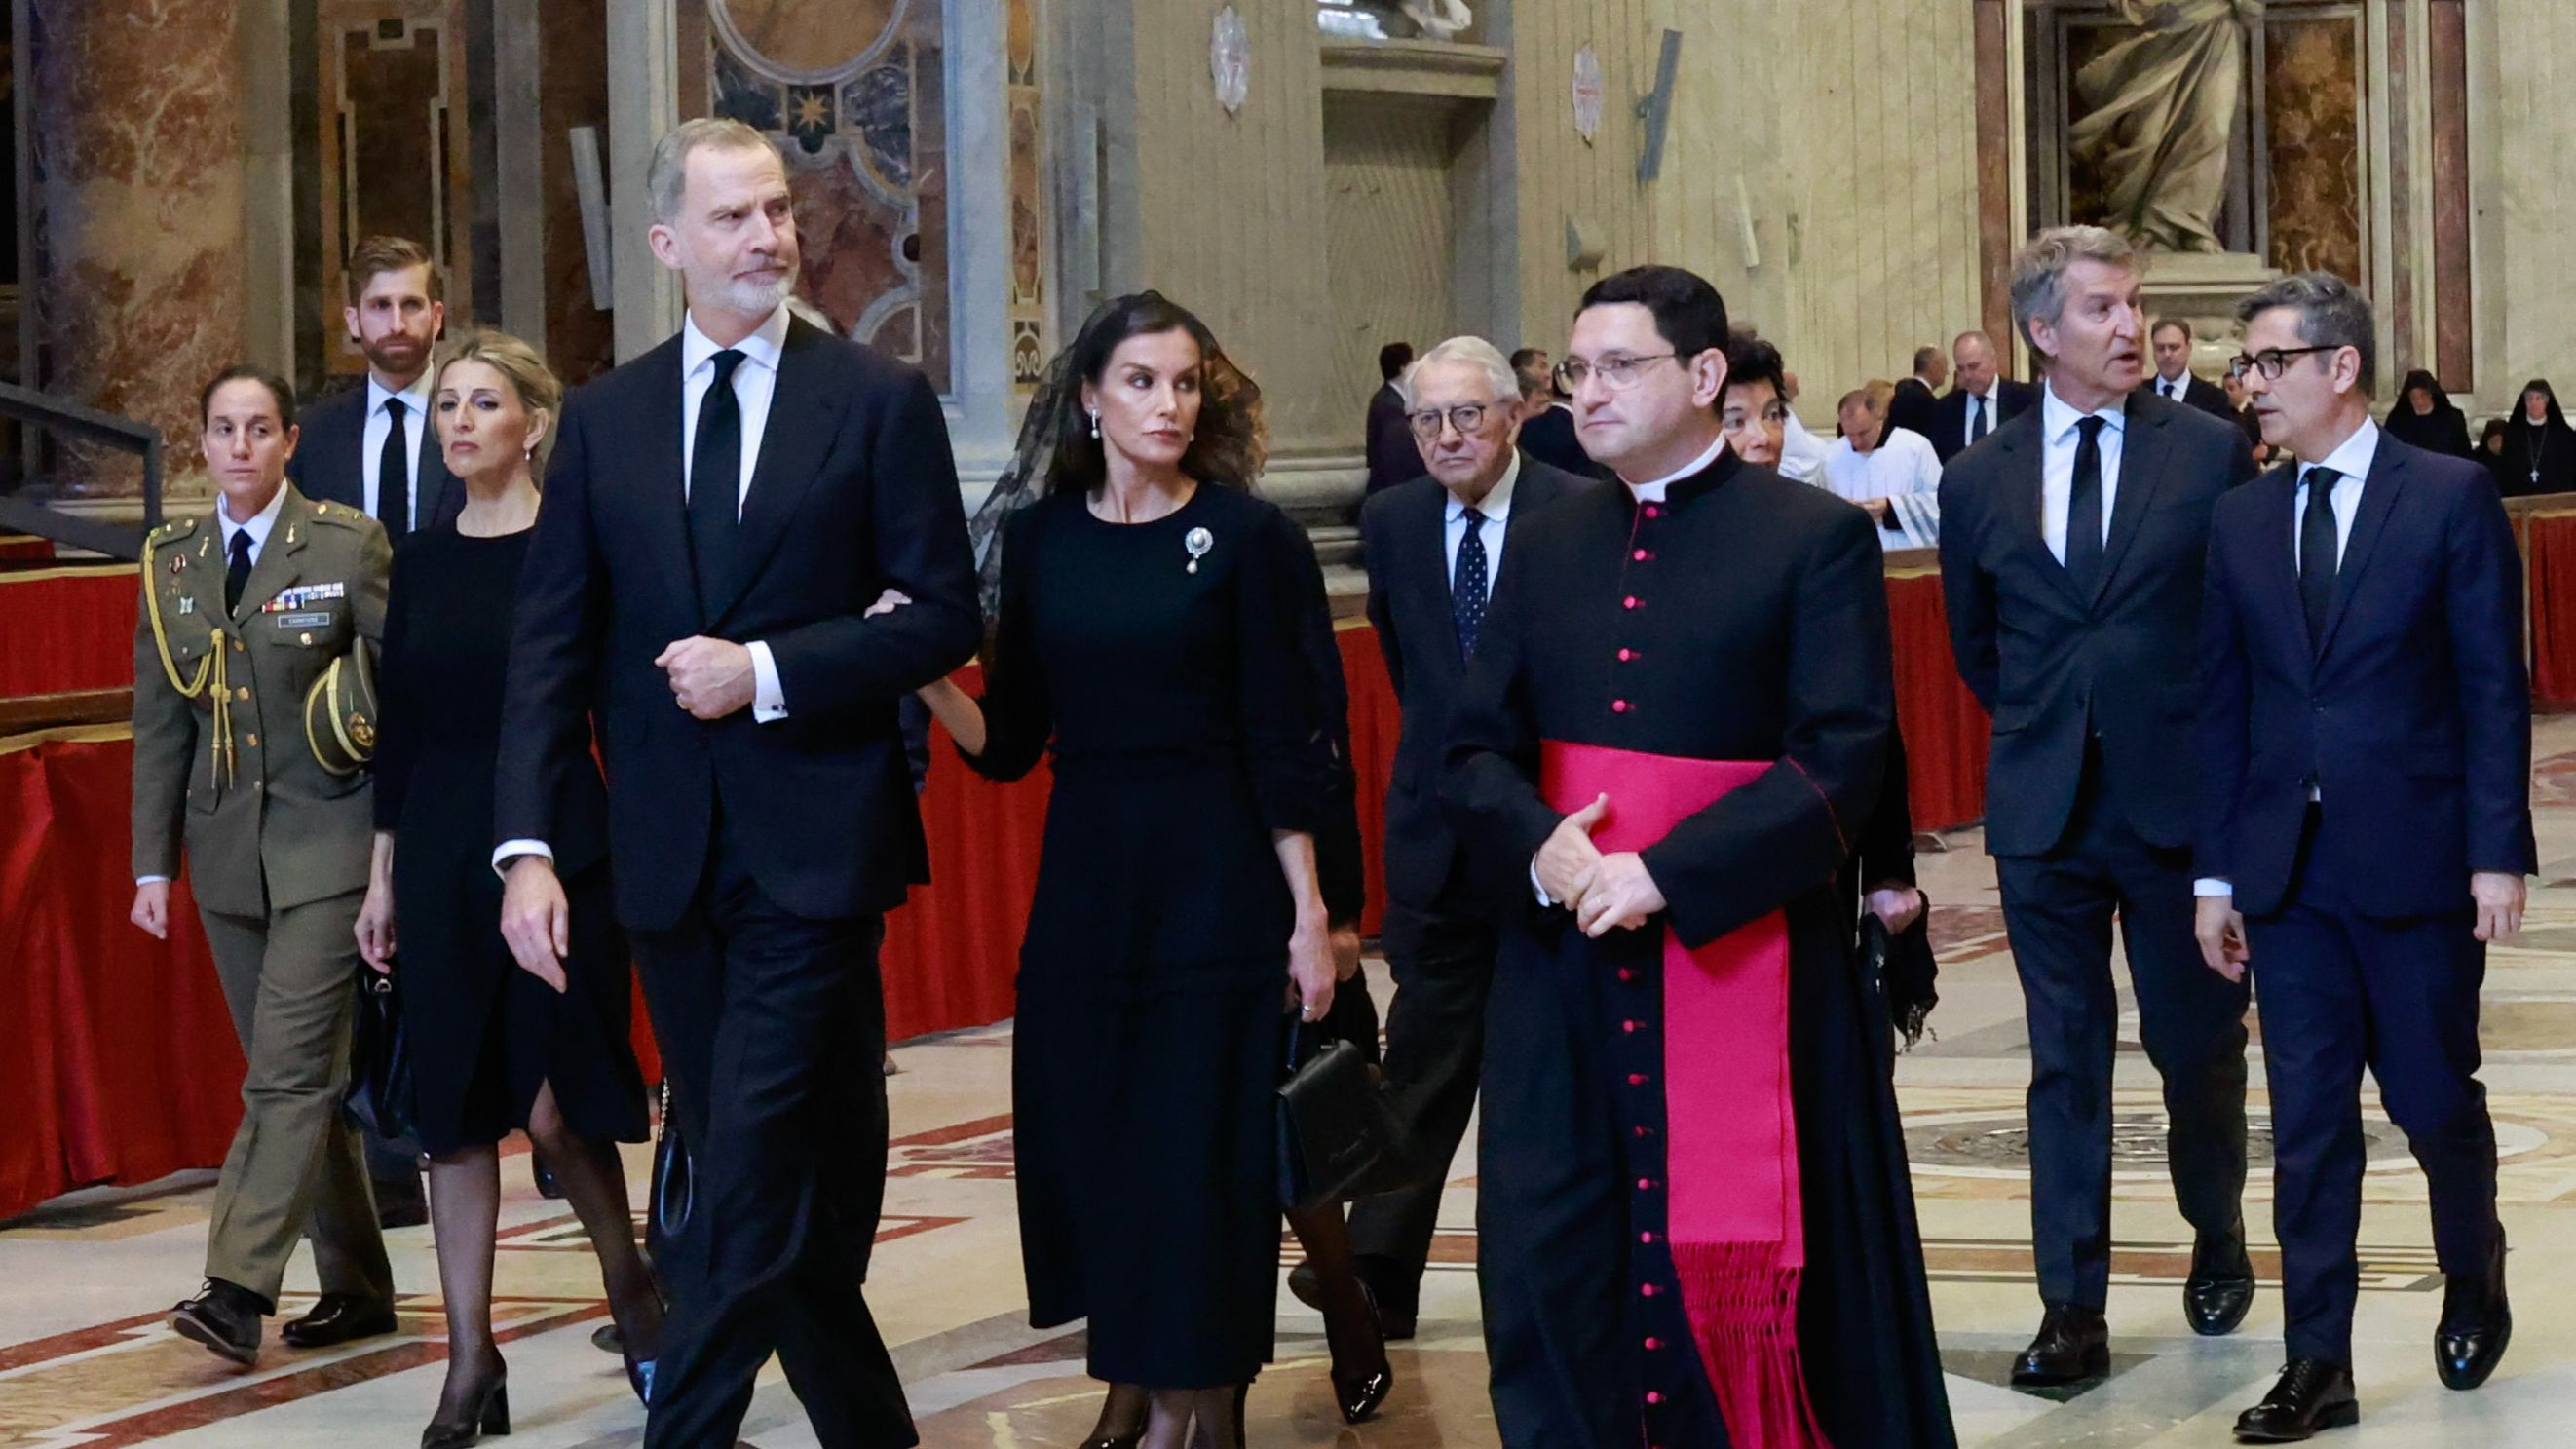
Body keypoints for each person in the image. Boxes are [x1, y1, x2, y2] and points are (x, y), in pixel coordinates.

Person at [492, 117, 979, 1449]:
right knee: (785, 1194)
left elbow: (943, 612)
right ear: (668, 245)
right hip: (665, 860)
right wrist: (525, 847)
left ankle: (685, 1430)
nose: (768, 237)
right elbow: (548, 649)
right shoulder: (601, 419)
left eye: (778, 210)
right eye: (733, 218)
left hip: (815, 849)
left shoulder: (876, 399)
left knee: (742, 1176)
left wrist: (765, 664)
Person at [1448, 264, 1952, 1448]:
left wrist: (1664, 872)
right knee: (1558, 1248)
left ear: (1705, 375)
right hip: (1562, 964)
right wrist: (1547, 852)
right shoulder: (1547, 530)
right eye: (1575, 371)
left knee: (1782, 1267)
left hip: (1748, 960)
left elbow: (1840, 757)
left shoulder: (1812, 536)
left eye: (1619, 366)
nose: (1587, 392)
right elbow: (1471, 745)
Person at [903, 291, 1340, 1449]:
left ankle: (1198, 1416)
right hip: (1093, 885)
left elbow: (1286, 737)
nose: (1167, 403)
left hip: (1221, 879)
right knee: (1101, 1142)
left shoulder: (1252, 539)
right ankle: (1142, 1383)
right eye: (1142, 381)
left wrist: (1310, 913)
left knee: (1201, 1152)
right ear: (1089, 398)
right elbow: (1010, 745)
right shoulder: (1045, 539)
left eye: (1186, 381)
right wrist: (922, 670)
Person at [2199, 274, 2530, 1441]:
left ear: (2340, 367)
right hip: (2286, 873)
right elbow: (2222, 702)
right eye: (2246, 367)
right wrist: (2213, 876)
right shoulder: (2241, 516)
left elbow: (2495, 688)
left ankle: (2473, 1262)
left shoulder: (2447, 496)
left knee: (2433, 1096)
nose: (2251, 387)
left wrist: (2498, 853)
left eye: (2269, 363)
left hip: (2418, 859)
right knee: (2306, 1123)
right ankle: (2316, 1361)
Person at [1939, 225, 2259, 1388]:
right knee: (2063, 1062)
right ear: (2040, 331)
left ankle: (2217, 1230)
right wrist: (2052, 726)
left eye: (2133, 305)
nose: (2128, 326)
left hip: (2176, 808)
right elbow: (1980, 646)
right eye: (2099, 309)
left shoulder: (2211, 453)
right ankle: (2070, 1304)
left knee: (2194, 1047)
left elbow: (2235, 631)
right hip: (2041, 812)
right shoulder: (1975, 478)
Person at [357, 329, 662, 1444]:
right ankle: (470, 1359)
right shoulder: (422, 556)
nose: (459, 424)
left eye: (482, 404)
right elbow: (403, 731)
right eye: (446, 407)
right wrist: (382, 875)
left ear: (533, 424)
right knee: (455, 1117)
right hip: (437, 843)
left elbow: (613, 709)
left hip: (557, 844)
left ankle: (631, 1287)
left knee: (556, 1107)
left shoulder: (573, 549)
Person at [1295, 336, 1598, 1356]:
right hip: (1433, 833)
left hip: (1555, 826)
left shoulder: (1580, 508)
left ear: (1514, 415)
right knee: (1422, 1052)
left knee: (1543, 1061)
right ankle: (1381, 1270)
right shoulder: (1391, 520)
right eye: (1427, 419)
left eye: (1466, 415)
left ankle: (1544, 1269)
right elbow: (1410, 664)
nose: (1446, 436)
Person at [130, 366, 396, 1366]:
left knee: (287, 1072)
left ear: (289, 439)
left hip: (329, 837)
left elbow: (398, 687)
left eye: (258, 428)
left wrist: (391, 852)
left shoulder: (342, 541)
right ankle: (360, 1282)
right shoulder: (174, 559)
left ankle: (235, 1286)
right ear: (201, 443)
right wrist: (152, 866)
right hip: (227, 851)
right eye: (221, 429)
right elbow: (160, 722)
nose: (240, 446)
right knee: (296, 1077)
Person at [289, 235, 465, 544]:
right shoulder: (314, 435)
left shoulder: (473, 423)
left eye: (411, 305)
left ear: (437, 318)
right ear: (353, 322)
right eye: (380, 305)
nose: (397, 324)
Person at [1822, 385, 1944, 547]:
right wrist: (1841, 509)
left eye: (1863, 432)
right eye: (1850, 434)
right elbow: (1819, 505)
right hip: (1852, 551)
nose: (1856, 442)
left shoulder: (1914, 447)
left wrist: (1891, 508)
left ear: (1879, 418)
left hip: (1905, 554)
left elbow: (1940, 501)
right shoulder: (1831, 455)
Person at [1928, 329, 2039, 464]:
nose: (1967, 376)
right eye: (1961, 369)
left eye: (1973, 367)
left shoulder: (2025, 399)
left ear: (1993, 360)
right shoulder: (1944, 410)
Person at [2140, 318, 2236, 419]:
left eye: (2174, 347)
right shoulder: (2138, 395)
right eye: (2160, 348)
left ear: (2189, 348)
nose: (2167, 354)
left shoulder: (2213, 397)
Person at [2500, 380, 2576, 496]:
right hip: (2519, 500)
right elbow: (2506, 471)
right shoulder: (2513, 434)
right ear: (2524, 403)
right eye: (2529, 399)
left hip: (2554, 501)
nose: (2533, 403)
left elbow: (2569, 471)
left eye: (2538, 398)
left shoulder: (2563, 434)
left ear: (2546, 402)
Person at [1365, 340, 1420, 494]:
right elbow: (1396, 456)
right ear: (1403, 369)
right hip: (1393, 488)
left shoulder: (1388, 399)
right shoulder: (1391, 405)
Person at [2384, 368, 2474, 459]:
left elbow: (2465, 455)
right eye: (2414, 397)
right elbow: (2389, 454)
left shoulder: (2452, 418)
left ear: (2431, 394)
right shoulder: (2397, 420)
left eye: (2424, 395)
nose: (2419, 401)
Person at [1887, 343, 1949, 439]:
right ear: (1934, 366)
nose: (1947, 372)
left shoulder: (1901, 394)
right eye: (1945, 365)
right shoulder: (1925, 403)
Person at [2480, 417, 2513, 489]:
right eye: (2494, 441)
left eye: (2500, 441)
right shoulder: (2478, 460)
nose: (2497, 445)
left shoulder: (2515, 460)